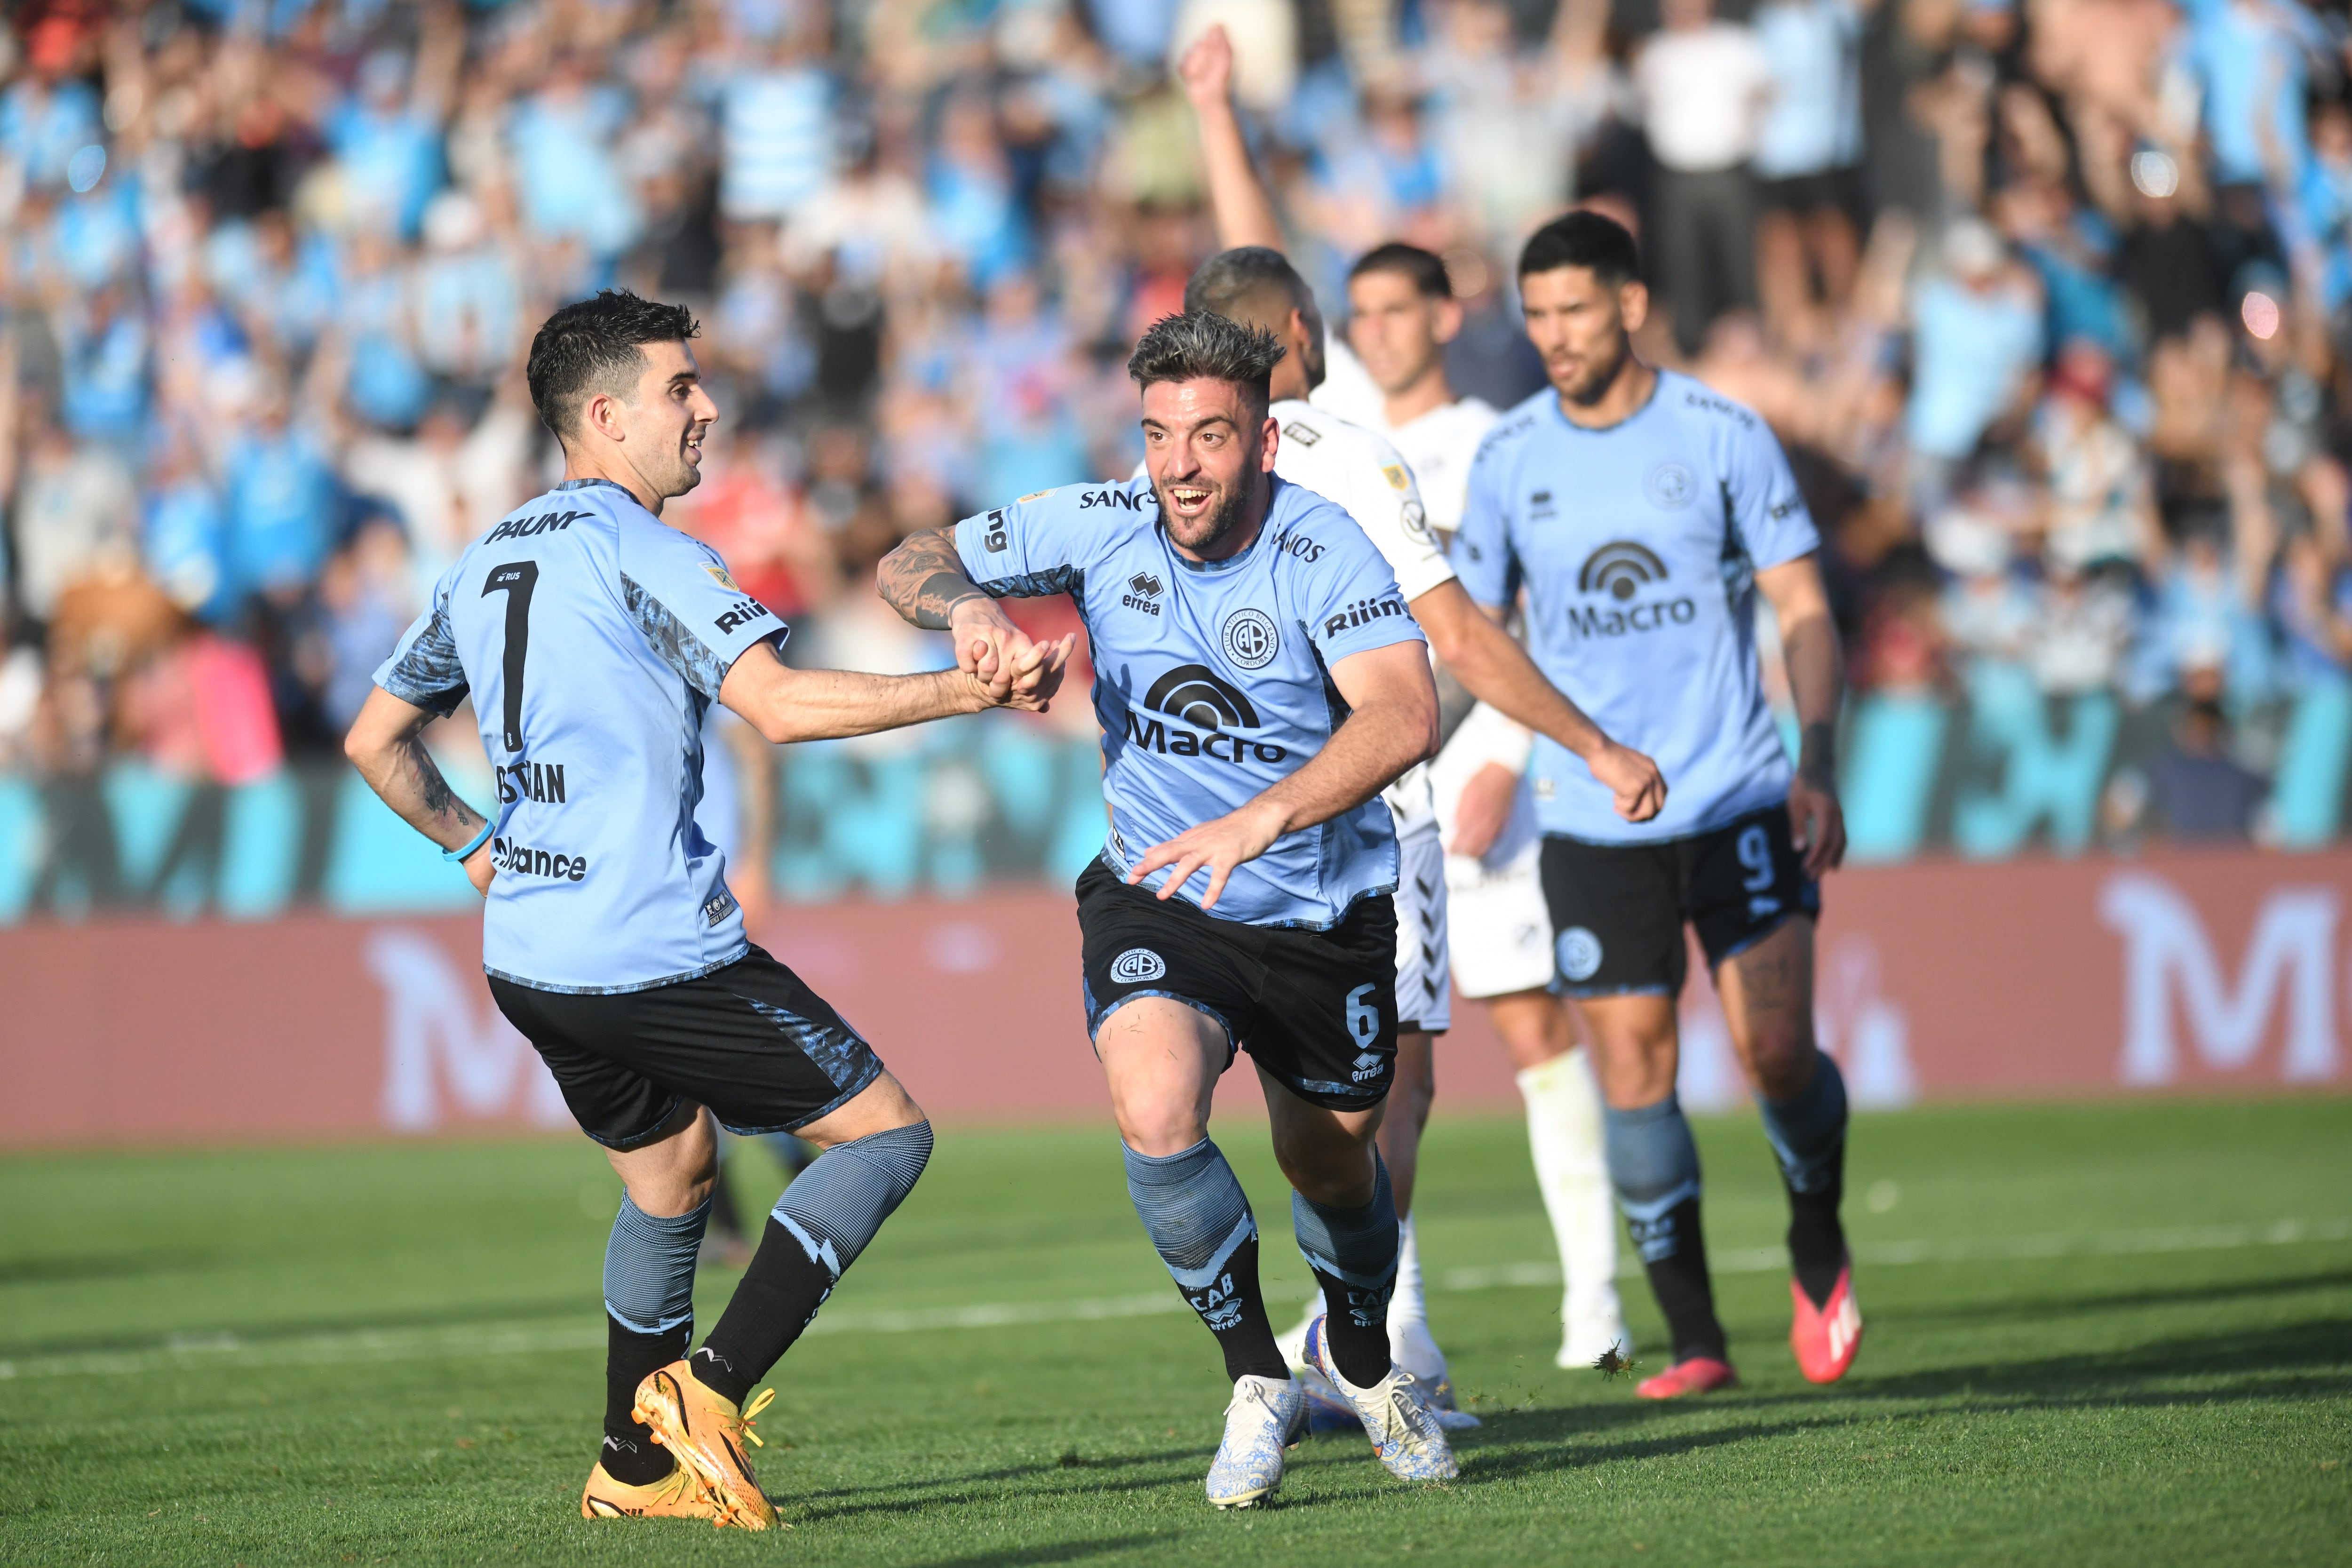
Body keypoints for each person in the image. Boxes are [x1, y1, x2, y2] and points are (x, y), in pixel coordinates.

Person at [343, 290, 1068, 1529]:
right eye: (682, 389)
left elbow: (375, 738)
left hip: (531, 952)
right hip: (651, 950)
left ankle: (631, 1471)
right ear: (607, 413)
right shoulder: (649, 552)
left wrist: (473, 845)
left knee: (673, 1172)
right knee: (887, 1135)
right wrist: (966, 691)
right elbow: (777, 707)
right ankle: (707, 1389)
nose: (709, 407)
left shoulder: (487, 557)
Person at [879, 311, 1484, 1508]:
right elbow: (912, 552)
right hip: (1161, 890)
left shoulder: (1325, 547)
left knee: (1332, 1160)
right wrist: (969, 608)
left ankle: (1361, 1360)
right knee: (1156, 1104)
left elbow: (1404, 715)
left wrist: (1266, 816)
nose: (1179, 465)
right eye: (1159, 435)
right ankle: (1257, 1375)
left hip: (1322, 904)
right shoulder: (1098, 523)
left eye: (1209, 435)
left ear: (1264, 438)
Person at [1174, 24, 1654, 1400]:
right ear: (1309, 341)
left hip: (1247, 802)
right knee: (1400, 1077)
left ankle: (1389, 1330)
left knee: (1354, 1081)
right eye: (1337, 319)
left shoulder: (1191, 455)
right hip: (1380, 792)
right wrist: (1583, 742)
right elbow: (1462, 632)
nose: (1350, 331)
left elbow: (1245, 279)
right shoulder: (1351, 446)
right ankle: (1365, 1339)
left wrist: (1216, 115)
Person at [1453, 211, 1861, 1399]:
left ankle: (1816, 1235)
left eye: (1574, 310)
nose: (1553, 336)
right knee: (1633, 1074)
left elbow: (1803, 609)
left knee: (1775, 1051)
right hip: (1587, 816)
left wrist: (1818, 758)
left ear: (1630, 306)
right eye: (1535, 315)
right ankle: (1695, 1338)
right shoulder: (1510, 458)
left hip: (1734, 792)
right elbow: (1472, 636)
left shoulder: (1722, 433)